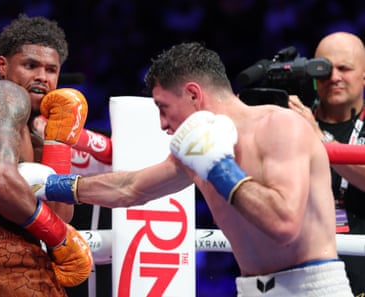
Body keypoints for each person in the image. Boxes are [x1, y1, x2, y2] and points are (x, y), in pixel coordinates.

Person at [21, 42, 354, 296]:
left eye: (164, 108)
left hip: (314, 288)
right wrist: (53, 186)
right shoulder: (196, 148)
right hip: (253, 288)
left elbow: (285, 224)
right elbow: (131, 187)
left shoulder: (280, 128)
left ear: (194, 94)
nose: (164, 125)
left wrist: (218, 167)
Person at [0, 14, 92, 297]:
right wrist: (60, 238)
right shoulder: (5, 95)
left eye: (51, 70)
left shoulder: (32, 130)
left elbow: (62, 214)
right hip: (1, 256)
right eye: (30, 65)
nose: (41, 77)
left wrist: (58, 142)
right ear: (3, 65)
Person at [289, 31, 365, 296]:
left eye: (345, 68)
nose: (334, 77)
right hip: (300, 269)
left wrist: (318, 138)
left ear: (364, 74)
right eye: (324, 68)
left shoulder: (308, 128)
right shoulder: (292, 122)